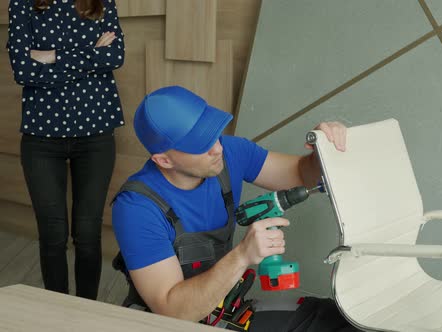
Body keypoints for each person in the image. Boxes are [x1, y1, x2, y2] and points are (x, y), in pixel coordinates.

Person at [112, 86, 358, 331]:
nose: (217, 148)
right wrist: (242, 256)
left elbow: (301, 174)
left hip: (225, 312)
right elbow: (174, 311)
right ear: (164, 160)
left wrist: (321, 151)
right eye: (201, 144)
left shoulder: (229, 152)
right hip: (166, 325)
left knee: (339, 321)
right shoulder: (137, 208)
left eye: (214, 133)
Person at [7, 0, 125, 300]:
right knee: (52, 235)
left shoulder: (101, 1)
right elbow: (22, 68)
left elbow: (115, 55)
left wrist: (50, 57)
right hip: (41, 138)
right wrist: (90, 57)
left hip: (96, 134)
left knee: (87, 235)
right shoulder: (23, 3)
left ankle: (87, 309)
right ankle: (56, 310)